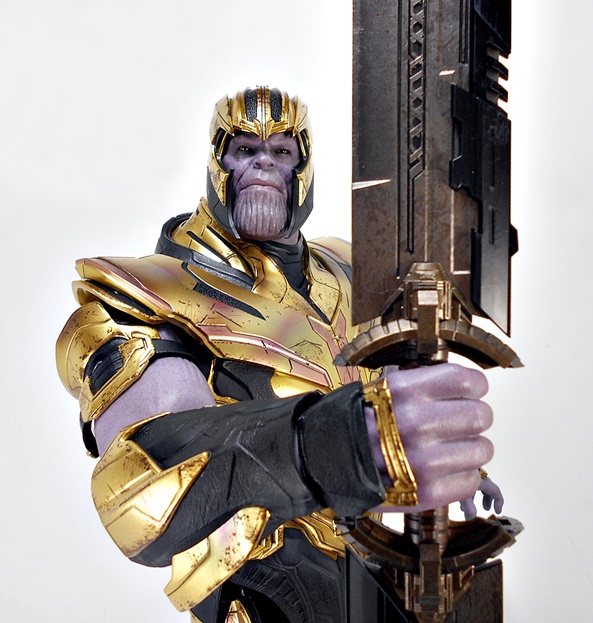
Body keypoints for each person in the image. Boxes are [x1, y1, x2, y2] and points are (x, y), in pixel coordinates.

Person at [56, 87, 503, 623]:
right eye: (245, 149)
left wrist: (445, 453)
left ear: (303, 168)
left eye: (282, 152)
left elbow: (395, 385)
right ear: (217, 163)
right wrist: (335, 446)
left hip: (379, 573)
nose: (263, 163)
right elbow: (138, 492)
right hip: (268, 589)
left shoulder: (351, 270)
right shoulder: (144, 293)